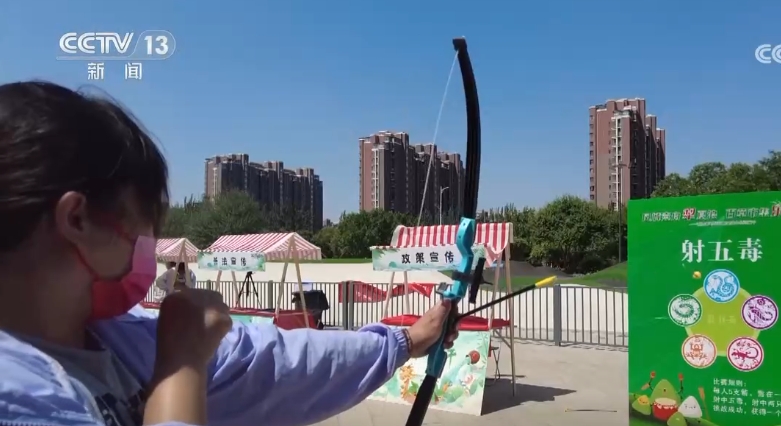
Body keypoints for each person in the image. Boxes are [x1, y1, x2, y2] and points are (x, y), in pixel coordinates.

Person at [0, 81, 459, 426]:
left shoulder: (114, 337)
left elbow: (272, 359)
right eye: (142, 231)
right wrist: (182, 363)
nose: (149, 252)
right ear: (78, 219)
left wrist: (406, 341)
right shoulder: (17, 396)